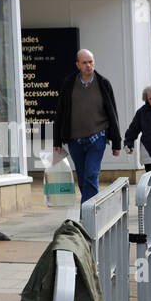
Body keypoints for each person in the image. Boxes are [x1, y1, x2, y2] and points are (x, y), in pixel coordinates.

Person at [53, 48, 121, 205]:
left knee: (91, 175)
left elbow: (112, 112)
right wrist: (57, 141)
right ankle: (91, 207)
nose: (88, 65)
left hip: (97, 137)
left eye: (90, 62)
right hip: (74, 140)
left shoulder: (103, 83)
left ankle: (88, 214)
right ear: (78, 65)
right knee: (83, 178)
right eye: (84, 63)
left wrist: (116, 142)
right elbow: (60, 112)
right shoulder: (69, 84)